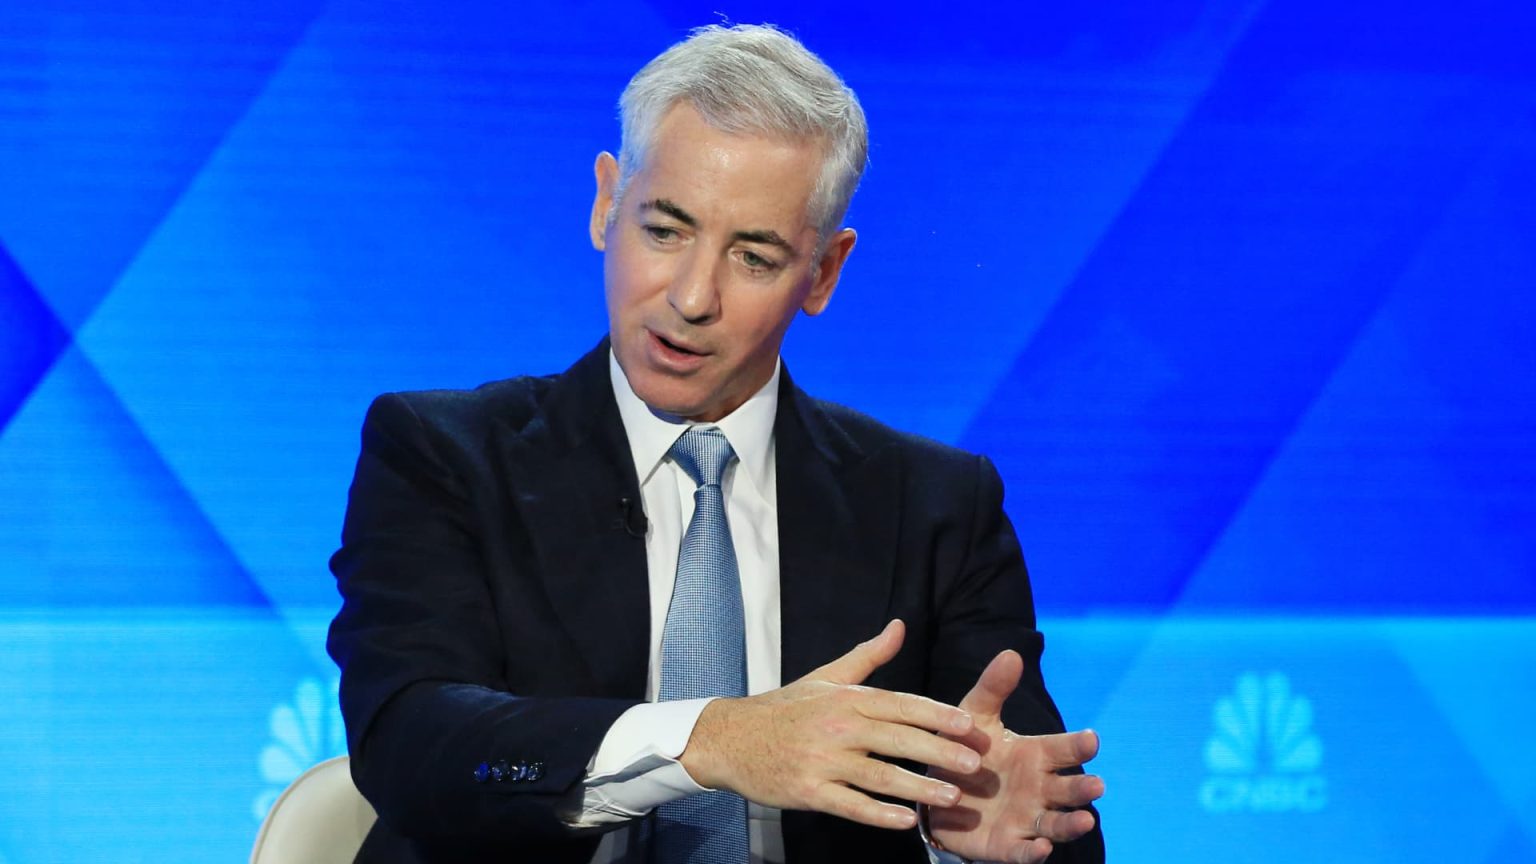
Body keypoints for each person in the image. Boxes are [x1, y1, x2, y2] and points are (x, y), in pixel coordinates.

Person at [328, 23, 1105, 864]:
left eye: (754, 257)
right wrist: (712, 739)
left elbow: (1045, 818)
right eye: (665, 231)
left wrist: (957, 831)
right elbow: (410, 743)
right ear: (607, 203)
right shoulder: (443, 454)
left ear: (824, 272)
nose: (693, 297)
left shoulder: (935, 507)